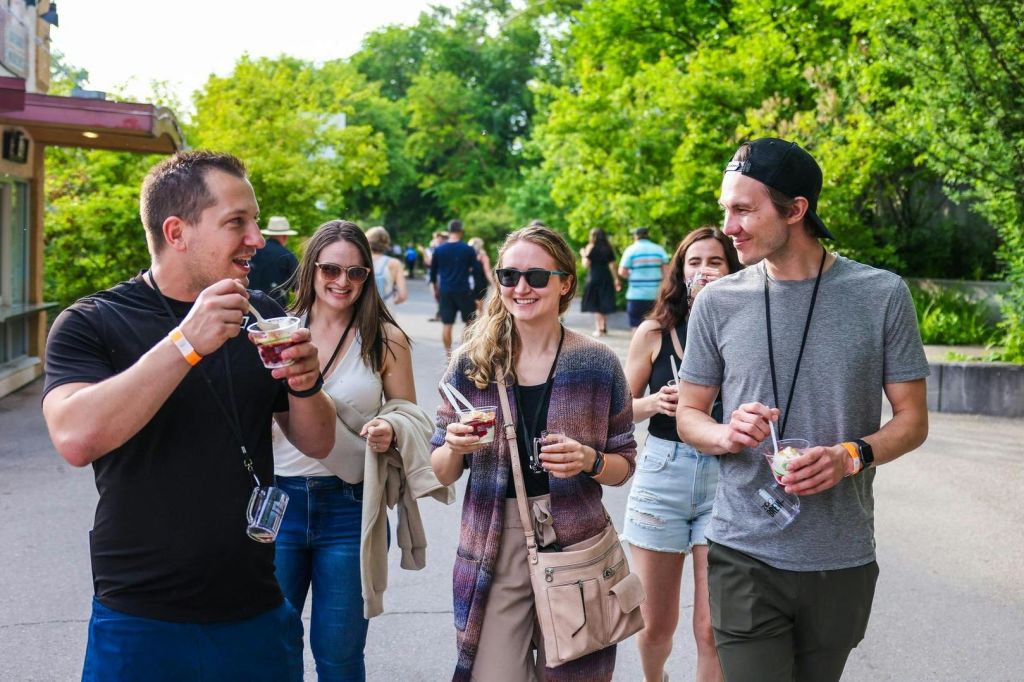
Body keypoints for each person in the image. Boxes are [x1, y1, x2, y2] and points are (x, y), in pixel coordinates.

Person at [41, 150, 337, 682]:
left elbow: (316, 442)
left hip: (256, 608)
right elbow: (75, 437)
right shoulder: (92, 322)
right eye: (236, 222)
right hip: (139, 615)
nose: (258, 239)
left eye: (254, 220)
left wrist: (306, 382)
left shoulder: (261, 314)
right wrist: (185, 343)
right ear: (177, 232)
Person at [677, 138, 930, 682]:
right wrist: (725, 433)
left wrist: (850, 456)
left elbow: (912, 420)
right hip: (743, 549)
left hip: (840, 552)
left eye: (744, 210)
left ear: (796, 210)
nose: (729, 226)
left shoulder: (881, 294)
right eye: (726, 209)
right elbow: (689, 415)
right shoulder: (719, 301)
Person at [430, 224, 637, 682]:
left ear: (565, 283)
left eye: (536, 277)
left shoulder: (597, 363)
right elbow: (440, 471)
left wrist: (590, 461)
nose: (520, 288)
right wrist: (453, 445)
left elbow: (623, 466)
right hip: (494, 539)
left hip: (577, 542)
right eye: (508, 276)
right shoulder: (472, 362)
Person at [273, 220, 451, 681]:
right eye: (331, 269)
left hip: (349, 506)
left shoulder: (383, 338)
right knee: (271, 647)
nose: (343, 282)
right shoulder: (278, 331)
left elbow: (408, 412)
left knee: (339, 655)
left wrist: (389, 426)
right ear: (310, 268)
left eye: (356, 273)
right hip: (276, 504)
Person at [621, 226, 740, 682]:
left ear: (733, 269)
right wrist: (654, 403)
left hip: (726, 477)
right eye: (695, 262)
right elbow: (618, 412)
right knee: (655, 625)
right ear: (680, 271)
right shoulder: (654, 332)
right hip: (663, 474)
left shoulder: (750, 328)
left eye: (716, 262)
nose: (705, 271)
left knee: (712, 628)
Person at [429, 220, 485, 355]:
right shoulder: (467, 249)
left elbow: (433, 273)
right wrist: (479, 294)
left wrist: (436, 290)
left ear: (448, 232)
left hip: (446, 291)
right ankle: (465, 354)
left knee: (447, 324)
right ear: (461, 231)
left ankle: (449, 356)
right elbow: (478, 272)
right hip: (464, 290)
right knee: (469, 323)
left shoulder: (439, 250)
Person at [618, 227, 670, 329]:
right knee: (655, 326)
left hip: (636, 295)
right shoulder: (659, 250)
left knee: (636, 326)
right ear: (648, 235)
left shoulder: (631, 250)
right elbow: (667, 273)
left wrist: (631, 275)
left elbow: (622, 272)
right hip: (656, 295)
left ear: (635, 236)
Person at [249, 215, 300, 307]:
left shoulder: (252, 251)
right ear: (285, 236)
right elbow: (299, 289)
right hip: (275, 310)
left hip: (248, 306)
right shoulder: (287, 255)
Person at [580, 228, 622, 336]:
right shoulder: (607, 248)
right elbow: (612, 265)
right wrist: (616, 279)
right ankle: (604, 326)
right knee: (604, 300)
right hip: (606, 277)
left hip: (594, 277)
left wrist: (583, 254)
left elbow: (586, 264)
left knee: (595, 303)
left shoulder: (590, 247)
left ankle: (599, 328)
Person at [366, 225, 409, 306]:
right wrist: (391, 302)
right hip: (386, 310)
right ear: (386, 242)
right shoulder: (394, 263)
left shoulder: (361, 260)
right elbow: (402, 295)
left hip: (364, 310)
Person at [468, 236, 494, 314]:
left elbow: (487, 272)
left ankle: (474, 324)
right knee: (479, 308)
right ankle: (478, 324)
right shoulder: (483, 256)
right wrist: (494, 283)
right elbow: (488, 272)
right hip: (479, 283)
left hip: (472, 283)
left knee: (474, 307)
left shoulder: (480, 257)